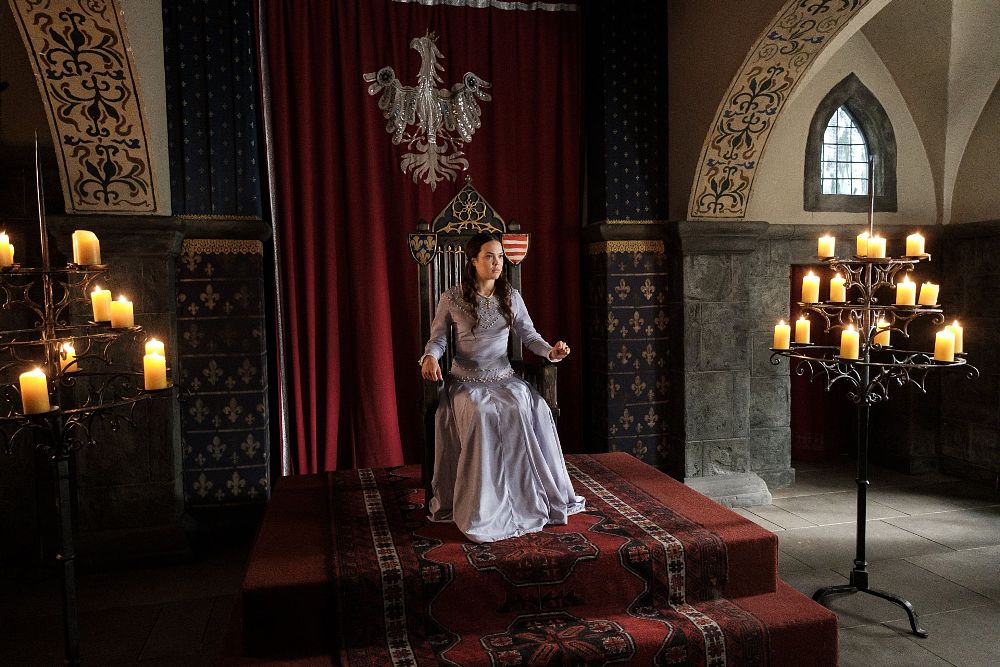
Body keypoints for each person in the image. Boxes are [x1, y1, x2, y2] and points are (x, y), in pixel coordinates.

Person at [419, 231, 585, 543]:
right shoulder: (452, 298)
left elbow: (530, 336)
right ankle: (484, 503)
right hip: (466, 380)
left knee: (525, 405)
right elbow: (438, 339)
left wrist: (551, 352)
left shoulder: (511, 296)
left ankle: (524, 496)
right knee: (481, 412)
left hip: (504, 377)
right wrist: (430, 357)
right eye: (489, 257)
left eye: (500, 257)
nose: (497, 263)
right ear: (473, 261)